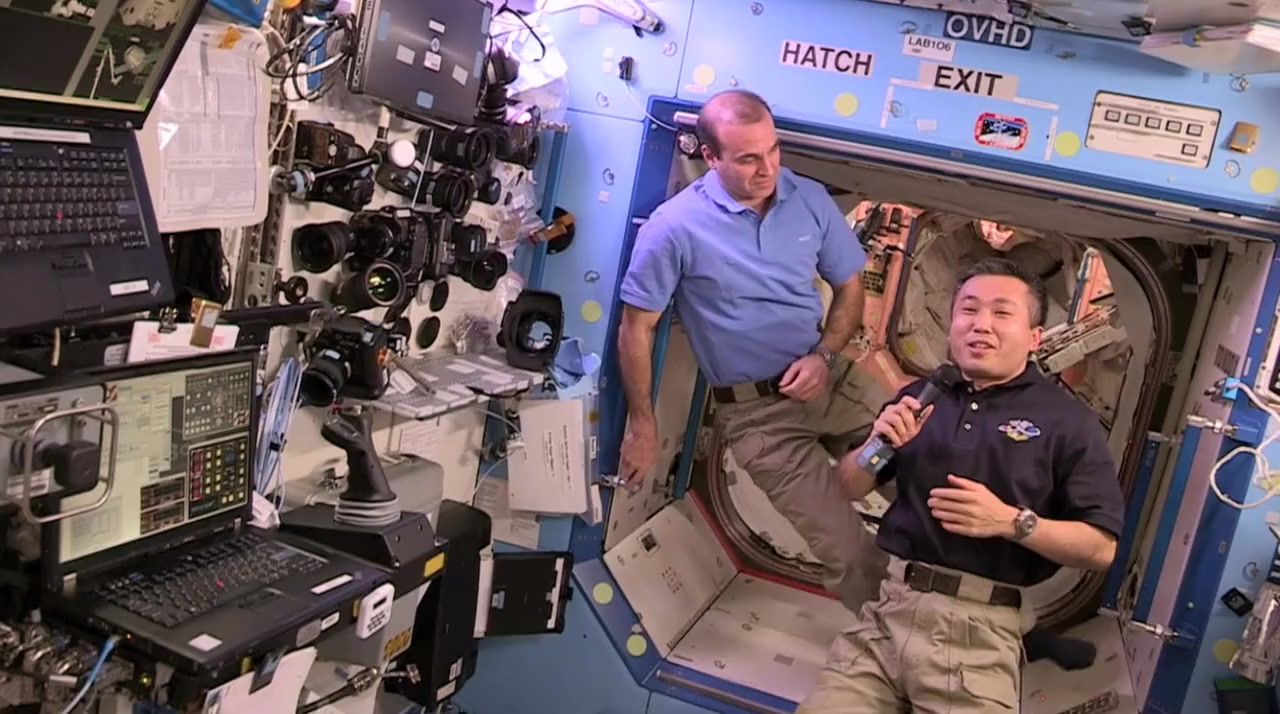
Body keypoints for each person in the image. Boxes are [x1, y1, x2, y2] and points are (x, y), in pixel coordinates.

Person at [796, 257, 1127, 713]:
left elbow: (1102, 549)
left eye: (1001, 313)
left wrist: (1012, 522)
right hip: (886, 614)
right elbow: (847, 487)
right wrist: (877, 446)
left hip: (980, 635)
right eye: (968, 310)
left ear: (1034, 337)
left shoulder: (1067, 423)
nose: (980, 325)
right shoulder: (919, 398)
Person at [615, 88, 887, 609]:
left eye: (773, 150)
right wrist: (643, 426)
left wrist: (825, 356)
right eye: (747, 159)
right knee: (850, 553)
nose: (768, 169)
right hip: (760, 420)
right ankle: (898, 644)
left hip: (831, 381)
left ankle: (988, 624)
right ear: (710, 156)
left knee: (933, 480)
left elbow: (850, 288)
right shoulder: (674, 228)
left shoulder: (808, 199)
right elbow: (636, 329)